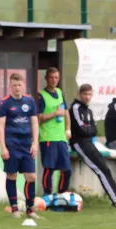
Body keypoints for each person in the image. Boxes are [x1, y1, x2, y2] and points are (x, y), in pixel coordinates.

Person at [69, 84, 116, 209]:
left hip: (89, 143)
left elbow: (94, 129)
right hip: (80, 143)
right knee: (101, 170)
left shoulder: (88, 110)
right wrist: (88, 129)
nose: (87, 97)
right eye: (85, 94)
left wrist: (88, 129)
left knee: (105, 170)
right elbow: (81, 129)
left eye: (89, 94)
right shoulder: (75, 108)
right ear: (79, 94)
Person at [0, 73, 40, 219]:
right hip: (11, 144)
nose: (17, 88)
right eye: (14, 85)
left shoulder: (30, 102)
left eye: (19, 85)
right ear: (10, 86)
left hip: (27, 145)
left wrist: (35, 143)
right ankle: (14, 208)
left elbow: (34, 123)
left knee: (31, 176)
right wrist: (3, 147)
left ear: (24, 85)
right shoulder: (4, 103)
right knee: (12, 175)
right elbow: (1, 126)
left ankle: (30, 209)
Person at [37, 67, 73, 206]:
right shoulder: (41, 96)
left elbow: (65, 112)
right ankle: (48, 195)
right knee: (49, 168)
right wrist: (54, 114)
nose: (54, 80)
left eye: (56, 77)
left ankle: (62, 194)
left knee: (67, 169)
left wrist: (68, 129)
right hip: (48, 138)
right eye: (51, 77)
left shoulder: (60, 92)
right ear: (46, 78)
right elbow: (39, 118)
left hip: (61, 138)